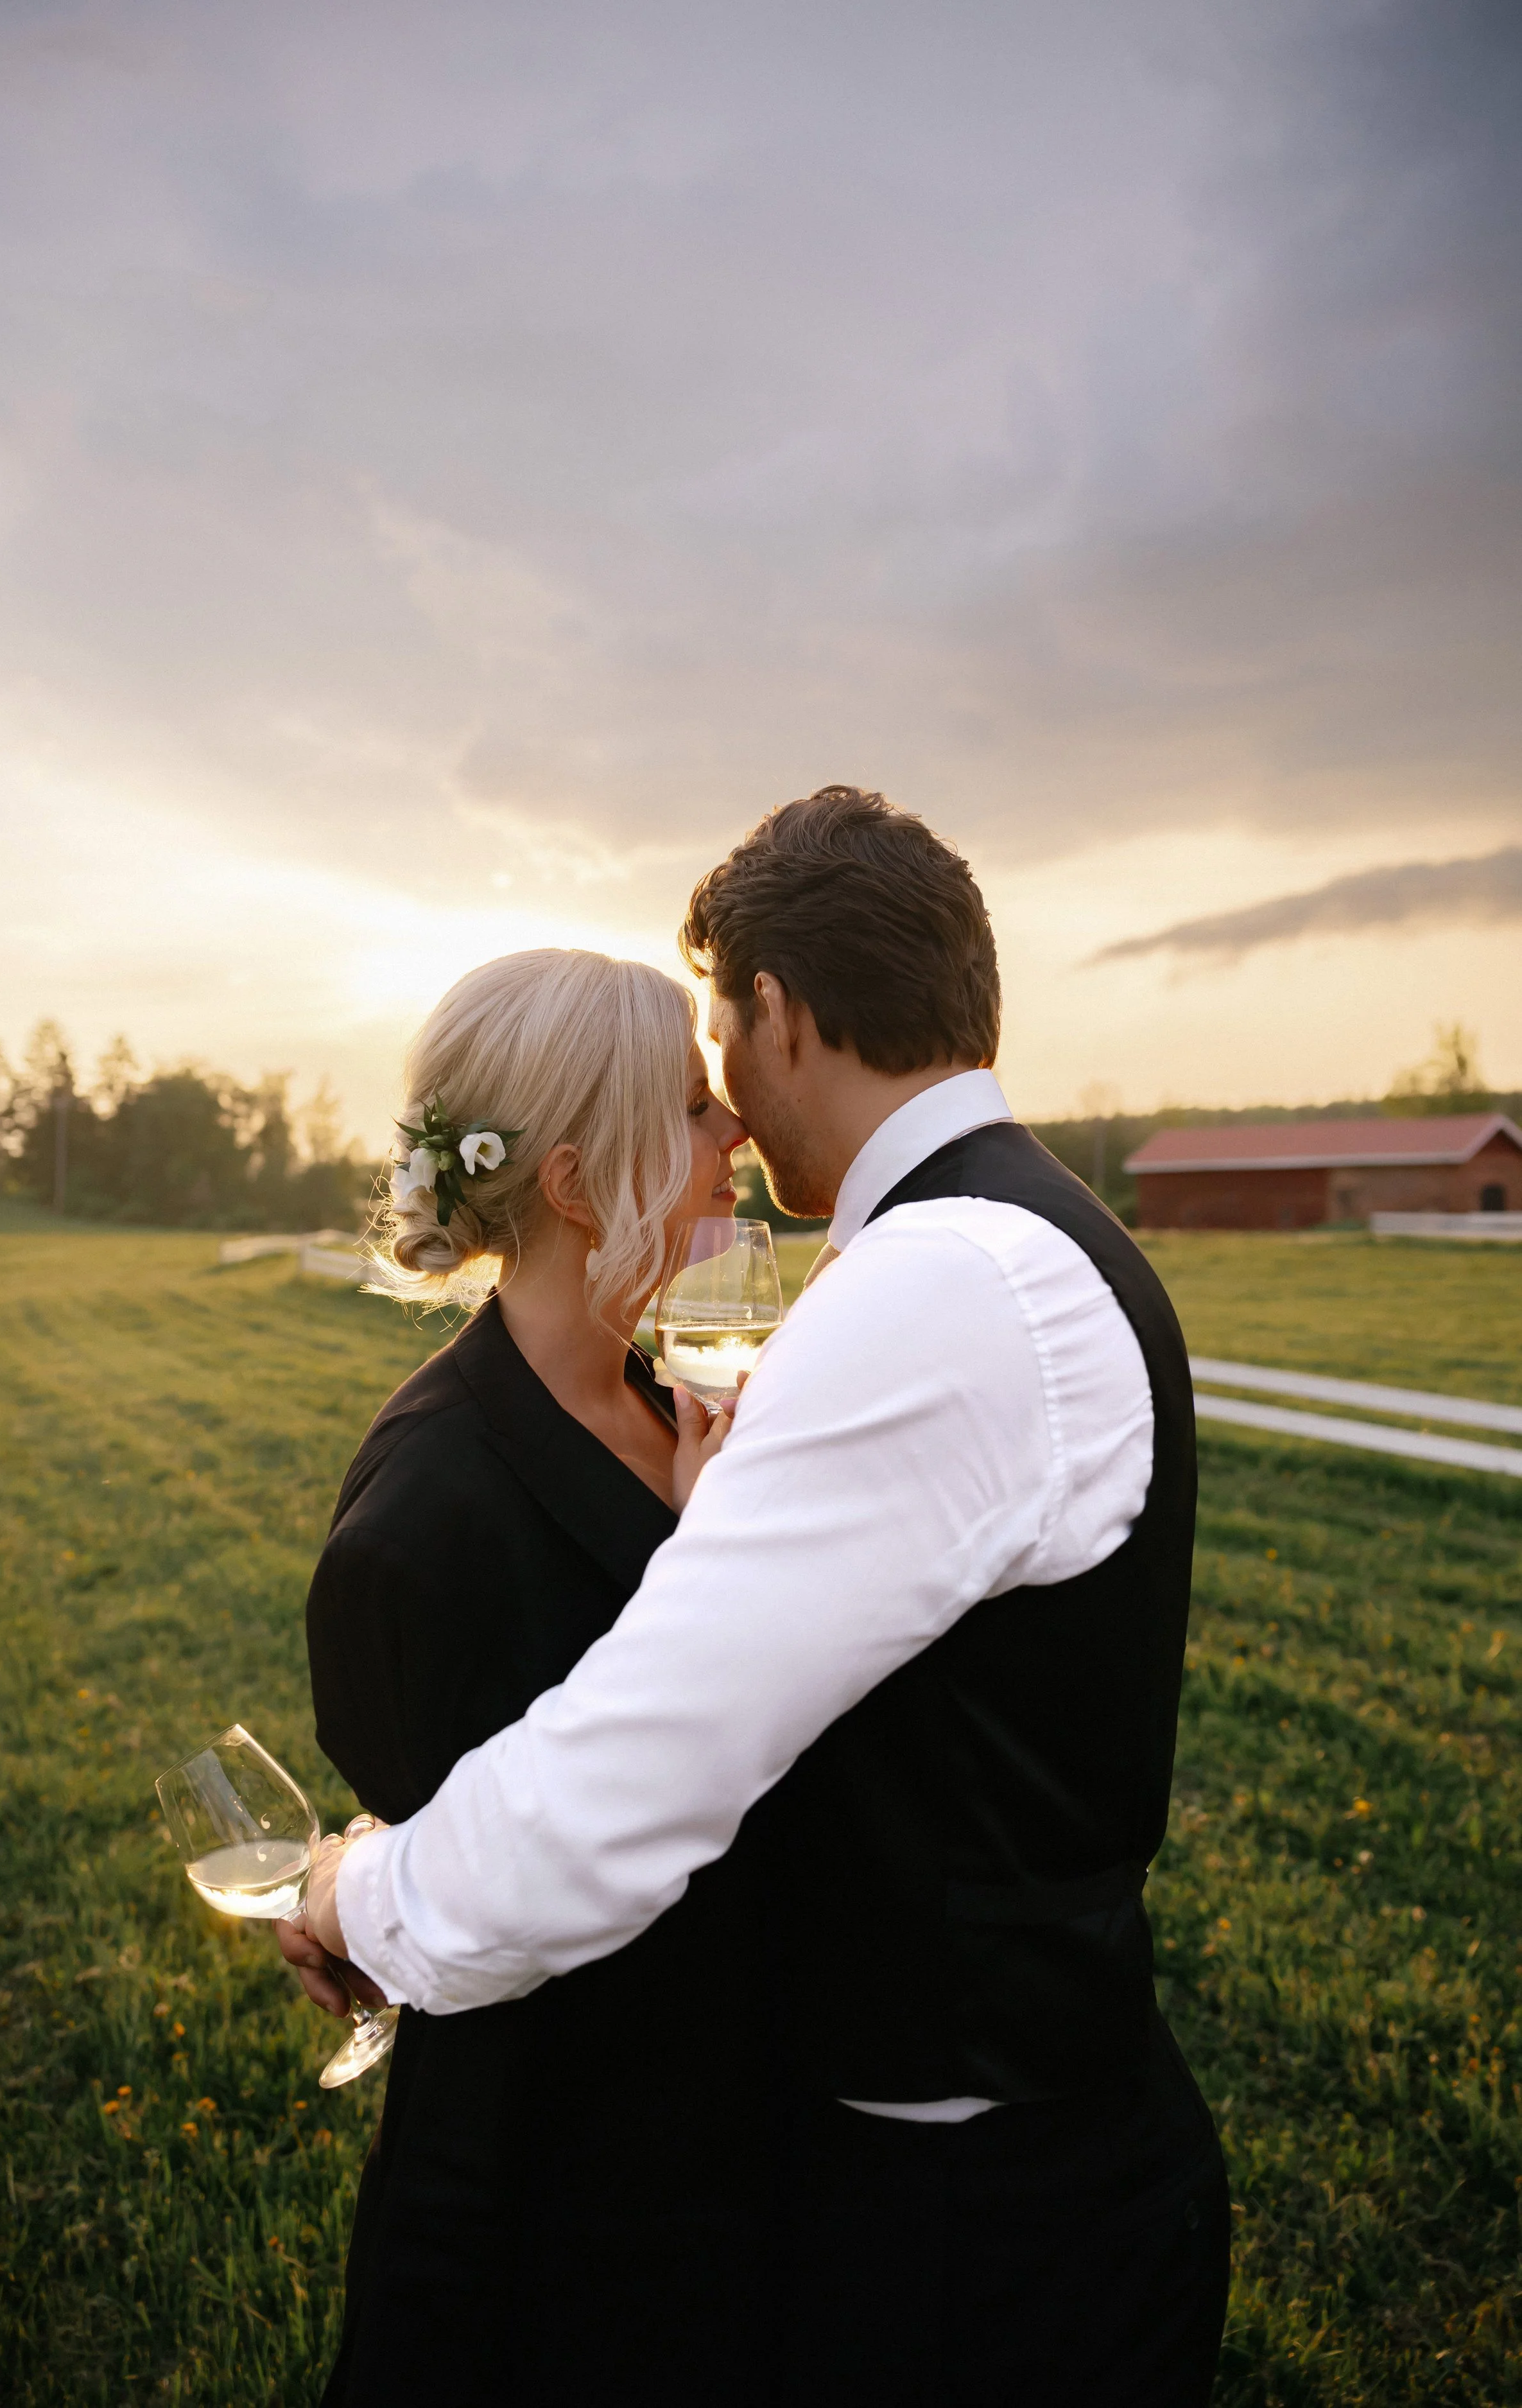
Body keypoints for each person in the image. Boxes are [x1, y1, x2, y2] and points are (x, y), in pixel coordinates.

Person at [291, 787, 1231, 2406]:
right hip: (937, 2182)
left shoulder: (937, 1282)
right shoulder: (1004, 1244)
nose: (725, 1116)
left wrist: (360, 1902)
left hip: (979, 2231)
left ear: (774, 1016)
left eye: (718, 1053)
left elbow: (639, 1762)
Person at [289, 947, 781, 2406]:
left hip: (738, 2156)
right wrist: (364, 1884)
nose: (733, 1135)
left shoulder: (677, 1405)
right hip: (557, 2217)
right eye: (694, 1107)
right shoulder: (423, 1524)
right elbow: (476, 1882)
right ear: (576, 1184)